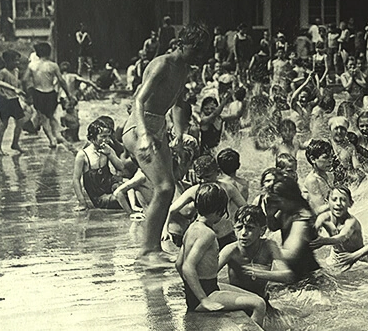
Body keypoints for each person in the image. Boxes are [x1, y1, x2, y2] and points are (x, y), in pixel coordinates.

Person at [122, 23, 212, 265]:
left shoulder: (183, 68)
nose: (199, 56)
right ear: (181, 44)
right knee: (162, 188)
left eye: (202, 51)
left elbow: (178, 102)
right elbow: (139, 99)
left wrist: (180, 135)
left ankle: (155, 248)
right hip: (138, 127)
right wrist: (143, 134)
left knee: (169, 187)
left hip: (158, 127)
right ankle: (146, 252)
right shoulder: (162, 63)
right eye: (195, 49)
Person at [176, 183, 266, 327]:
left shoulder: (191, 228)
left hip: (204, 290)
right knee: (259, 304)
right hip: (207, 293)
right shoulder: (208, 234)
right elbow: (187, 267)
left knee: (253, 297)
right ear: (219, 210)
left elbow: (178, 263)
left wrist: (190, 287)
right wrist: (203, 299)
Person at [217, 205, 283, 304]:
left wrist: (262, 273)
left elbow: (287, 275)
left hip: (262, 300)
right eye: (239, 227)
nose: (243, 233)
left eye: (250, 228)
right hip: (238, 301)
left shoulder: (269, 246)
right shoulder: (231, 250)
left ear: (262, 230)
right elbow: (208, 275)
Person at [72, 118, 127, 211]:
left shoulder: (107, 149)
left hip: (111, 186)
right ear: (93, 137)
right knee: (125, 199)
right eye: (103, 136)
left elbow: (121, 167)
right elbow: (76, 179)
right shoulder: (83, 155)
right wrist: (82, 202)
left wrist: (110, 154)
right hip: (100, 196)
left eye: (108, 136)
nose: (107, 140)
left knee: (136, 189)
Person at [314, 185, 368, 273]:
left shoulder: (351, 222)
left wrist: (323, 241)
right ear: (327, 202)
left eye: (343, 200)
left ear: (350, 203)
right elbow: (313, 228)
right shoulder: (324, 218)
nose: (338, 203)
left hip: (357, 258)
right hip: (336, 256)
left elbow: (342, 237)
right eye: (334, 199)